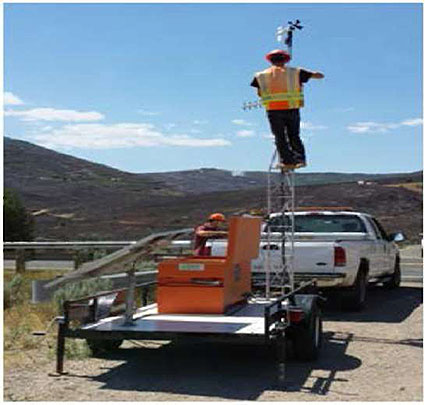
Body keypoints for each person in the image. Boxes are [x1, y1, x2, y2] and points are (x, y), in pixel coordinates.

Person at [251, 49, 324, 170]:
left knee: (280, 137)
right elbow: (320, 75)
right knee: (294, 135)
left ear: (270, 60)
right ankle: (300, 160)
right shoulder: (295, 72)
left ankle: (287, 162)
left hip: (273, 110)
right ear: (285, 60)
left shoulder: (261, 75)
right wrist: (307, 74)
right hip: (292, 108)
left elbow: (259, 93)